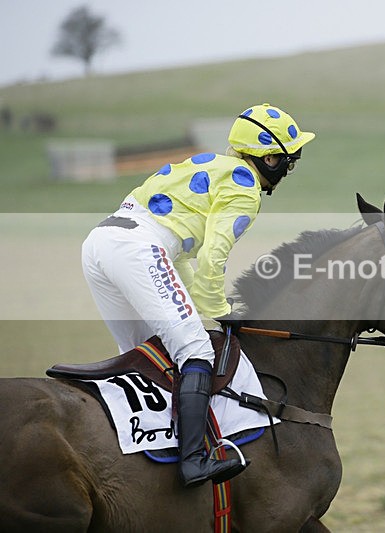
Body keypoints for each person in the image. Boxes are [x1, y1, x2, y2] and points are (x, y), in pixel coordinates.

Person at [81, 103, 315, 487]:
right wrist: (219, 310)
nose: (287, 170)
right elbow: (212, 256)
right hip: (137, 250)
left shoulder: (208, 164)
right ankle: (193, 461)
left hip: (101, 244)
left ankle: (146, 451)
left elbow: (181, 257)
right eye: (287, 162)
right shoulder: (246, 187)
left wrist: (200, 305)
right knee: (196, 350)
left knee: (150, 353)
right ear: (270, 158)